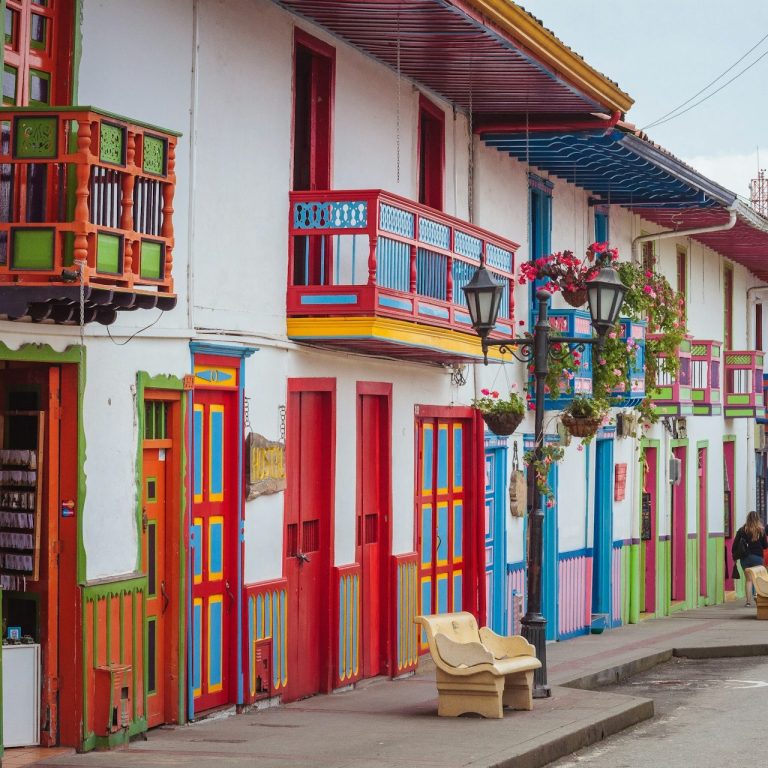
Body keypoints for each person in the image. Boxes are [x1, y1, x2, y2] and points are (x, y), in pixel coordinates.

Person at [732, 511, 768, 606]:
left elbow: (735, 545)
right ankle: (758, 601)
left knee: (749, 580)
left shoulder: (742, 530)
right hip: (757, 558)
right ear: (757, 519)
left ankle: (748, 602)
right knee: (757, 580)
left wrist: (735, 556)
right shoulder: (761, 530)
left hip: (745, 558)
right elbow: (765, 546)